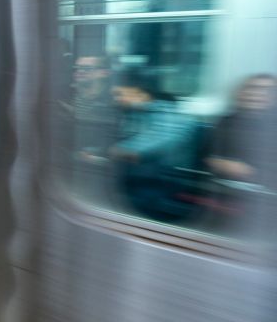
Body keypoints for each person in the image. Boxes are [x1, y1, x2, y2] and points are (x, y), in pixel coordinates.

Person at [108, 70, 199, 221]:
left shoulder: (169, 114)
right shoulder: (134, 113)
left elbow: (148, 145)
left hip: (166, 184)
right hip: (142, 178)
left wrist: (116, 151)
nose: (116, 100)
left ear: (141, 95)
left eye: (119, 94)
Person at [205, 74, 277, 239]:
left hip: (264, 201)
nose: (255, 94)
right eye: (251, 88)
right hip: (219, 195)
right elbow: (206, 156)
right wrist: (216, 163)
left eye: (265, 90)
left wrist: (250, 172)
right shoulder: (225, 121)